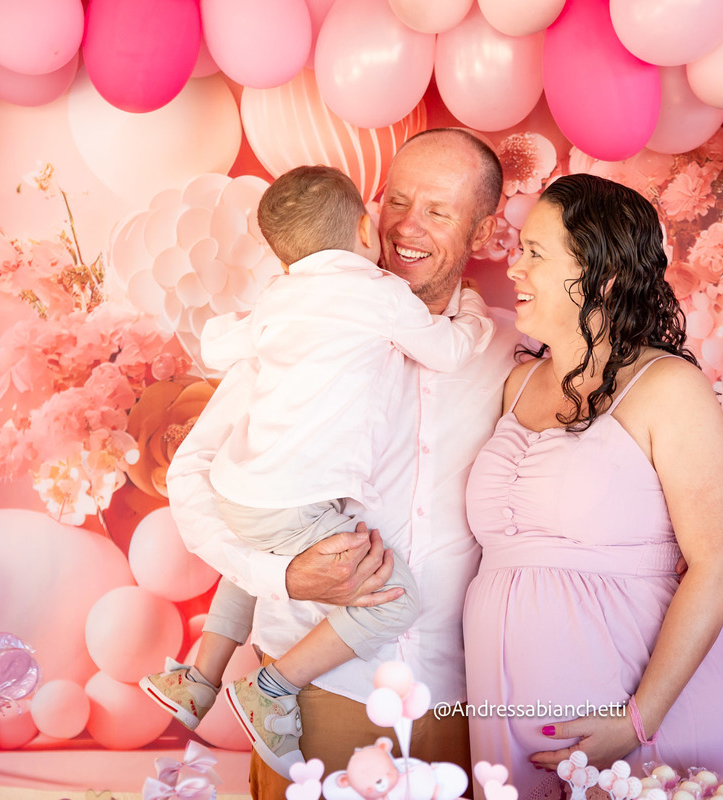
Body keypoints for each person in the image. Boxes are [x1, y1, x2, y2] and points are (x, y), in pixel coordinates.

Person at [165, 129, 522, 800]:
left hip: (458, 692)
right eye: (398, 201)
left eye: (438, 211)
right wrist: (279, 575)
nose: (407, 226)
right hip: (320, 686)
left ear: (482, 231)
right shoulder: (301, 326)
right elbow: (192, 475)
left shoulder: (510, 344)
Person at [463, 173, 723, 796]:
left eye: (536, 253)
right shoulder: (515, 384)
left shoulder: (669, 388)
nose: (515, 267)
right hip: (506, 708)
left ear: (604, 274)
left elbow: (721, 567)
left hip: (634, 709)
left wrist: (637, 720)